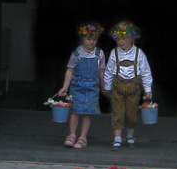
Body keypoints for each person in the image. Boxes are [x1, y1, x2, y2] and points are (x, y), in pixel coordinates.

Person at [102, 20, 152, 150]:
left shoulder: (139, 54)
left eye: (124, 38)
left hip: (133, 87)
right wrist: (107, 86)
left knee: (131, 113)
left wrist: (148, 89)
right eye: (118, 39)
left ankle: (130, 137)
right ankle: (117, 138)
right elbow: (109, 70)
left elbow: (146, 72)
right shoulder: (115, 53)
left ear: (132, 38)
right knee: (117, 113)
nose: (120, 41)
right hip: (118, 86)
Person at [57, 21, 106, 149]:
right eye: (89, 39)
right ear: (82, 38)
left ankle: (82, 137)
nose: (91, 42)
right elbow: (70, 69)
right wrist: (65, 87)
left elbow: (101, 71)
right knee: (74, 111)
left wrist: (104, 86)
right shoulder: (77, 53)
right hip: (77, 86)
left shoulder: (99, 54)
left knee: (86, 113)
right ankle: (72, 135)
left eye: (94, 39)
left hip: (92, 87)